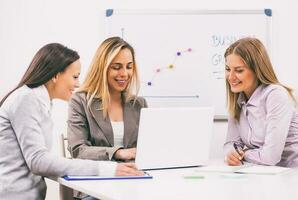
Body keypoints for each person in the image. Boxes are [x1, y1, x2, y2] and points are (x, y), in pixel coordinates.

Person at [0, 43, 143, 200]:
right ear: (55, 75)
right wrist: (108, 168)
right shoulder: (26, 100)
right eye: (75, 77)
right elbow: (38, 160)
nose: (78, 83)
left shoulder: (39, 102)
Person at [67, 36, 147, 163]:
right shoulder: (80, 101)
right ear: (102, 68)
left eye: (129, 67)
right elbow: (78, 150)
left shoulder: (139, 104)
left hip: (134, 176)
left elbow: (148, 148)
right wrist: (117, 153)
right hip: (98, 178)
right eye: (116, 67)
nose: (124, 74)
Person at [223, 37, 298, 167]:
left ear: (257, 70)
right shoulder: (238, 99)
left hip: (291, 173)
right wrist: (231, 153)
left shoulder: (276, 95)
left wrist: (244, 154)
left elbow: (270, 157)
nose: (231, 77)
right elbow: (231, 143)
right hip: (263, 173)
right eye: (228, 69)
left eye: (239, 70)